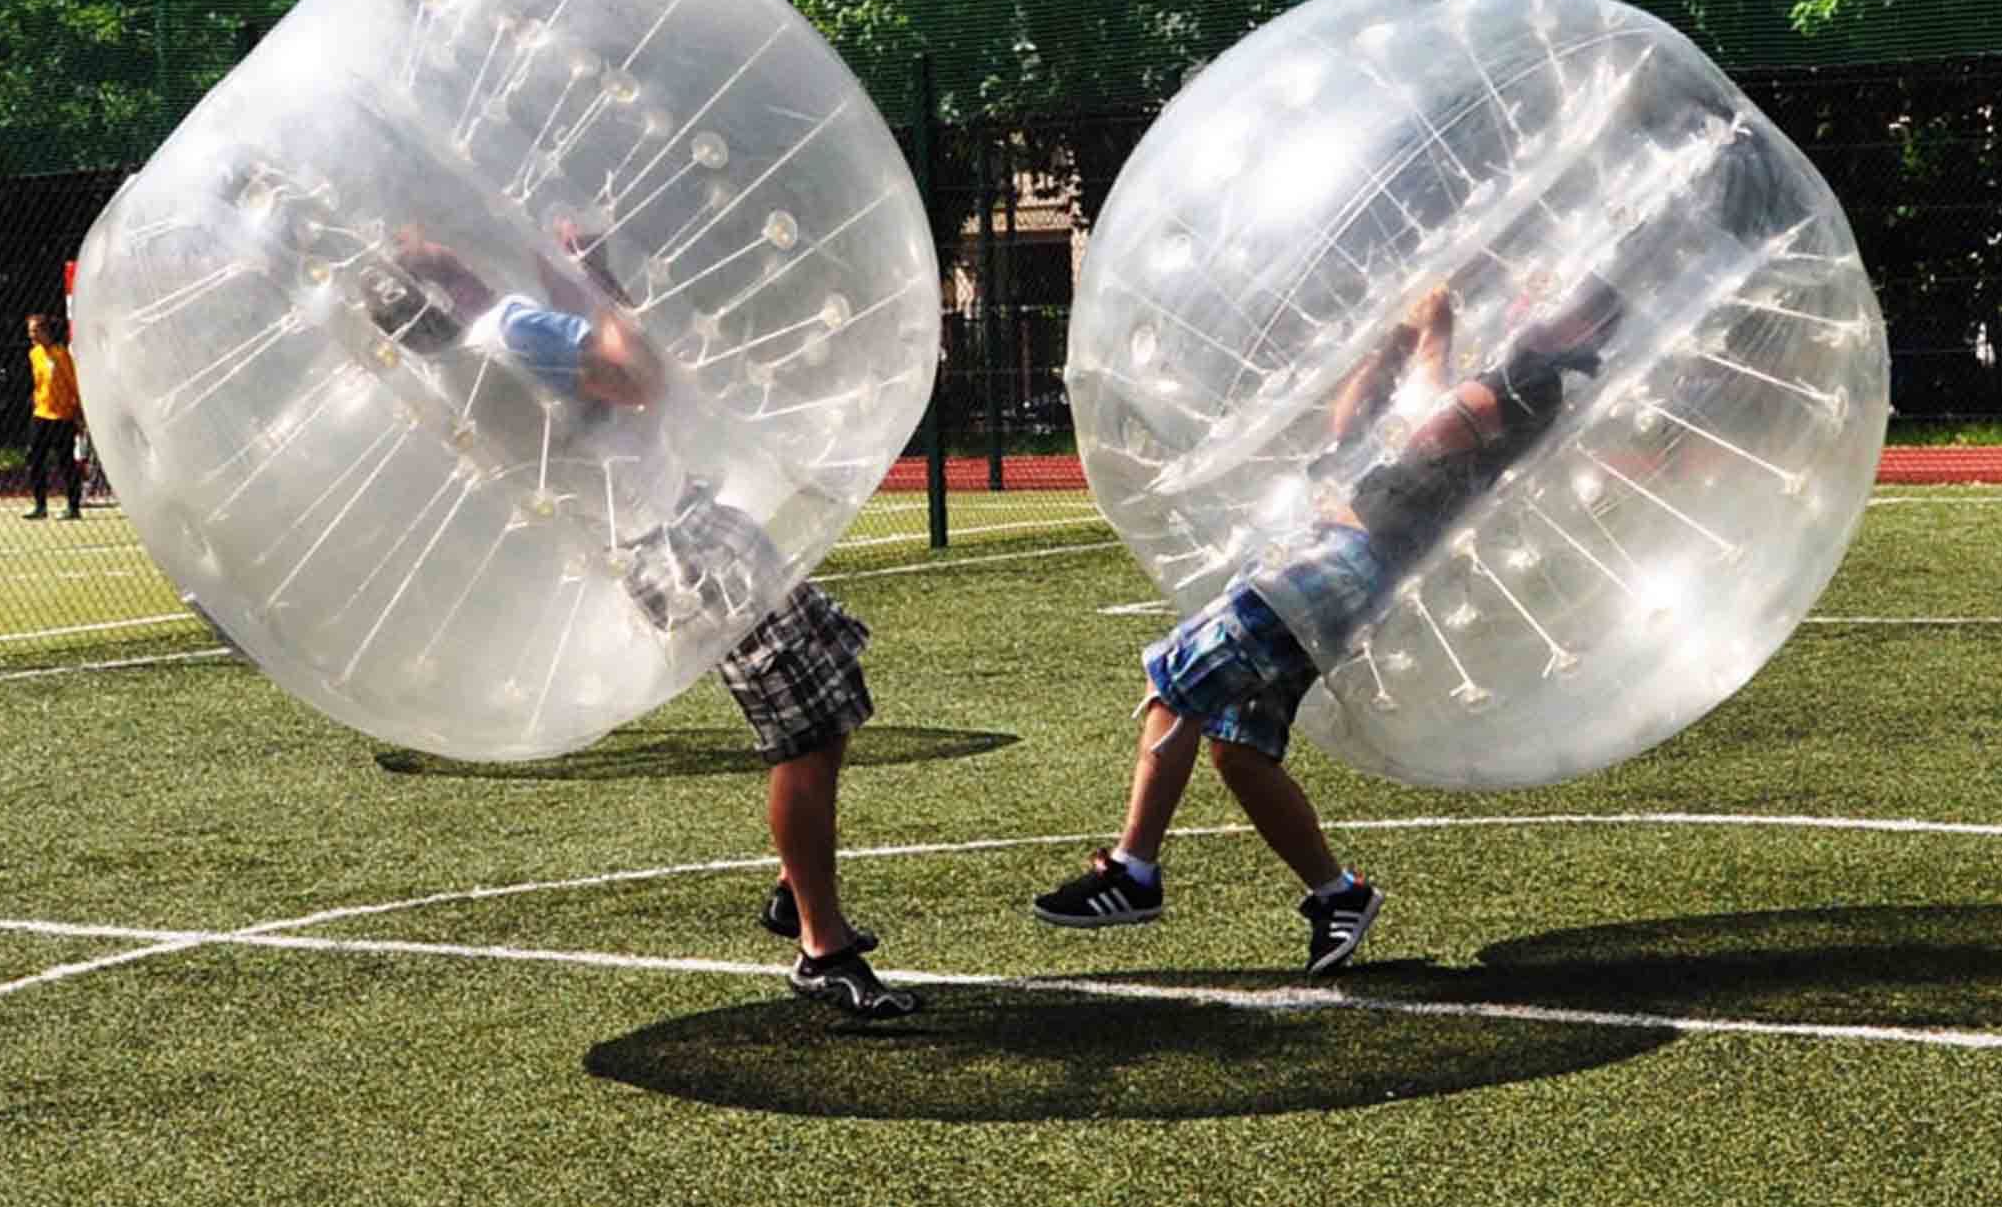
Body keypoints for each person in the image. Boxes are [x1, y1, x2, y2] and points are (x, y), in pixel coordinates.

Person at [357, 220, 919, 1020]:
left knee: (824, 700)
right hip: (683, 541)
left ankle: (800, 893)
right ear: (441, 290)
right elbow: (636, 373)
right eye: (438, 257)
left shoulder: (451, 370)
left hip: (654, 543)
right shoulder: (510, 329)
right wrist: (594, 276)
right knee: (804, 728)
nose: (456, 247)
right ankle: (820, 945)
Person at [1033, 274, 1621, 973]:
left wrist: (1432, 335)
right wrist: (1395, 341)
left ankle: (1133, 870)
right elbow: (1351, 430)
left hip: (1349, 563)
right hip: (1332, 551)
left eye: (1568, 305)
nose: (1538, 295)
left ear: (1581, 334)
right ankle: (1336, 894)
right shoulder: (1499, 370)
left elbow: (1424, 429)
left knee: (1180, 673)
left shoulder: (1528, 385)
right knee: (1239, 746)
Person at [25, 311, 84, 521]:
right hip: (41, 413)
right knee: (34, 458)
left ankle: (73, 505)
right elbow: (39, 384)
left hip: (62, 416)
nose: (31, 334)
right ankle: (40, 505)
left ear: (45, 331)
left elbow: (73, 383)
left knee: (65, 461)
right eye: (30, 330)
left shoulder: (61, 354)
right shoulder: (35, 354)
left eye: (34, 330)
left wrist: (77, 411)